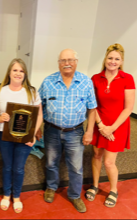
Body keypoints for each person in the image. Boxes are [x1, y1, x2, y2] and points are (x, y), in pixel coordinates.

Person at [38, 49, 97, 213]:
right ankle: (51, 187)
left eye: (70, 60)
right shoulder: (48, 82)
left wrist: (90, 131)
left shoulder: (85, 82)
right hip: (51, 130)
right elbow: (39, 107)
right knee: (51, 163)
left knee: (76, 168)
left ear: (76, 62)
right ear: (58, 63)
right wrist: (36, 128)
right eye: (63, 60)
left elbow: (92, 109)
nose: (67, 63)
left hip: (75, 132)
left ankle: (75, 195)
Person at [85, 43, 135, 208]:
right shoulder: (95, 78)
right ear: (105, 59)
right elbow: (93, 105)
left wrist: (111, 128)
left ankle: (113, 190)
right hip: (100, 124)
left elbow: (128, 108)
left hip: (117, 126)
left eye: (117, 59)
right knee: (97, 156)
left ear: (121, 62)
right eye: (110, 58)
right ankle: (95, 185)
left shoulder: (127, 78)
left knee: (109, 162)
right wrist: (100, 126)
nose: (113, 61)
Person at [0, 58, 43, 213]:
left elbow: (39, 115)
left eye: (21, 71)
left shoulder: (32, 92)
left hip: (25, 137)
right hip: (4, 135)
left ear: (25, 74)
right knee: (7, 166)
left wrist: (33, 134)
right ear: (9, 72)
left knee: (19, 168)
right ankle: (7, 195)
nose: (18, 73)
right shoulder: (0, 91)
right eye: (15, 70)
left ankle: (17, 196)